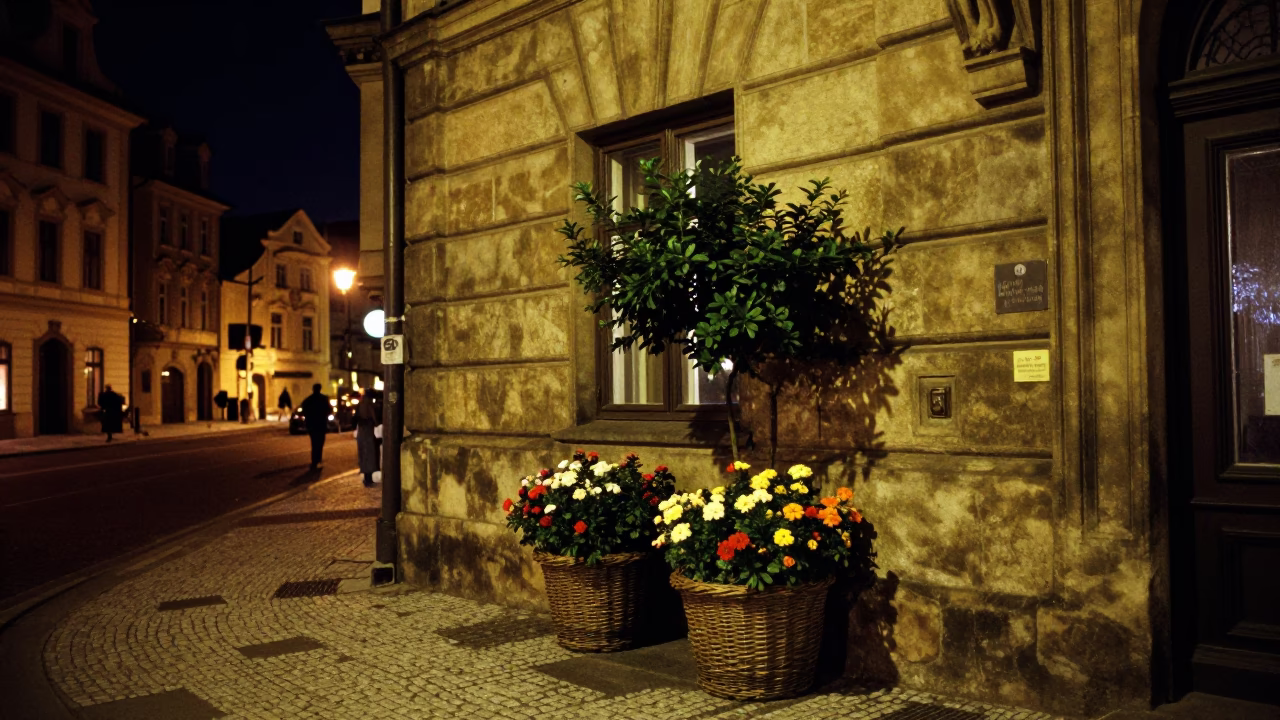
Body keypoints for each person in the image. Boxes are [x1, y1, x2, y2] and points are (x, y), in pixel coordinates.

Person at [299, 383, 331, 471]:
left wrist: (308, 418)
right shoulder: (323, 399)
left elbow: (303, 410)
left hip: (312, 424)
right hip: (321, 424)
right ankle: (317, 459)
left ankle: (315, 460)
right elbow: (329, 410)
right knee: (320, 443)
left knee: (314, 442)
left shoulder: (308, 400)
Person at [354, 391, 380, 487]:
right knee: (369, 454)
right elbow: (375, 419)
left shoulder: (360, 405)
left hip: (362, 432)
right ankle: (368, 478)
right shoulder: (369, 405)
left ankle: (367, 477)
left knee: (364, 455)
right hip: (368, 432)